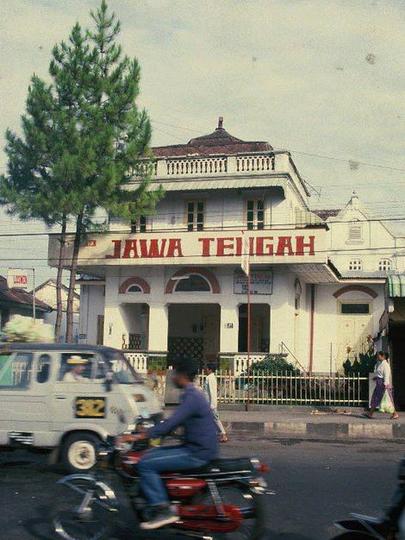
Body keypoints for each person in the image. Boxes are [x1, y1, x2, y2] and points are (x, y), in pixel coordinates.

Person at [119, 358, 219, 531]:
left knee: (145, 463)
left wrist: (138, 437)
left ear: (182, 376)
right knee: (151, 454)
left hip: (196, 452)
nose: (172, 377)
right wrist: (156, 431)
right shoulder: (192, 393)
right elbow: (177, 423)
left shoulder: (191, 396)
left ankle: (162, 509)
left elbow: (173, 422)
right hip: (195, 446)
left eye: (174, 374)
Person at [366, 351, 399, 420]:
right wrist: (376, 378)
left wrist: (385, 385)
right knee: (376, 397)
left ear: (383, 356)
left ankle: (395, 413)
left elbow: (386, 375)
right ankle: (370, 413)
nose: (377, 357)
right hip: (379, 383)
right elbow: (380, 374)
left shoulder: (385, 365)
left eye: (378, 356)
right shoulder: (381, 364)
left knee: (387, 398)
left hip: (383, 384)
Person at [203, 363, 228, 442]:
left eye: (206, 368)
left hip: (210, 404)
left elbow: (212, 392)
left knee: (215, 419)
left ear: (210, 369)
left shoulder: (210, 378)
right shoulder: (210, 377)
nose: (205, 369)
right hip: (207, 403)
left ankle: (223, 434)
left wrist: (212, 405)